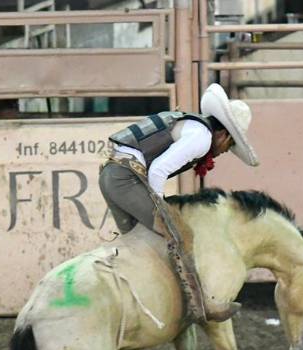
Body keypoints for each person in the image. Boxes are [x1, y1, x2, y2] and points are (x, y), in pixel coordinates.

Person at [98, 83, 259, 324]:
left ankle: (133, 304)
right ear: (224, 135)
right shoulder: (202, 137)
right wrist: (160, 209)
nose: (226, 151)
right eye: (230, 145)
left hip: (112, 176)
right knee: (181, 233)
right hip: (126, 179)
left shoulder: (191, 126)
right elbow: (158, 170)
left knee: (137, 243)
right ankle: (201, 305)